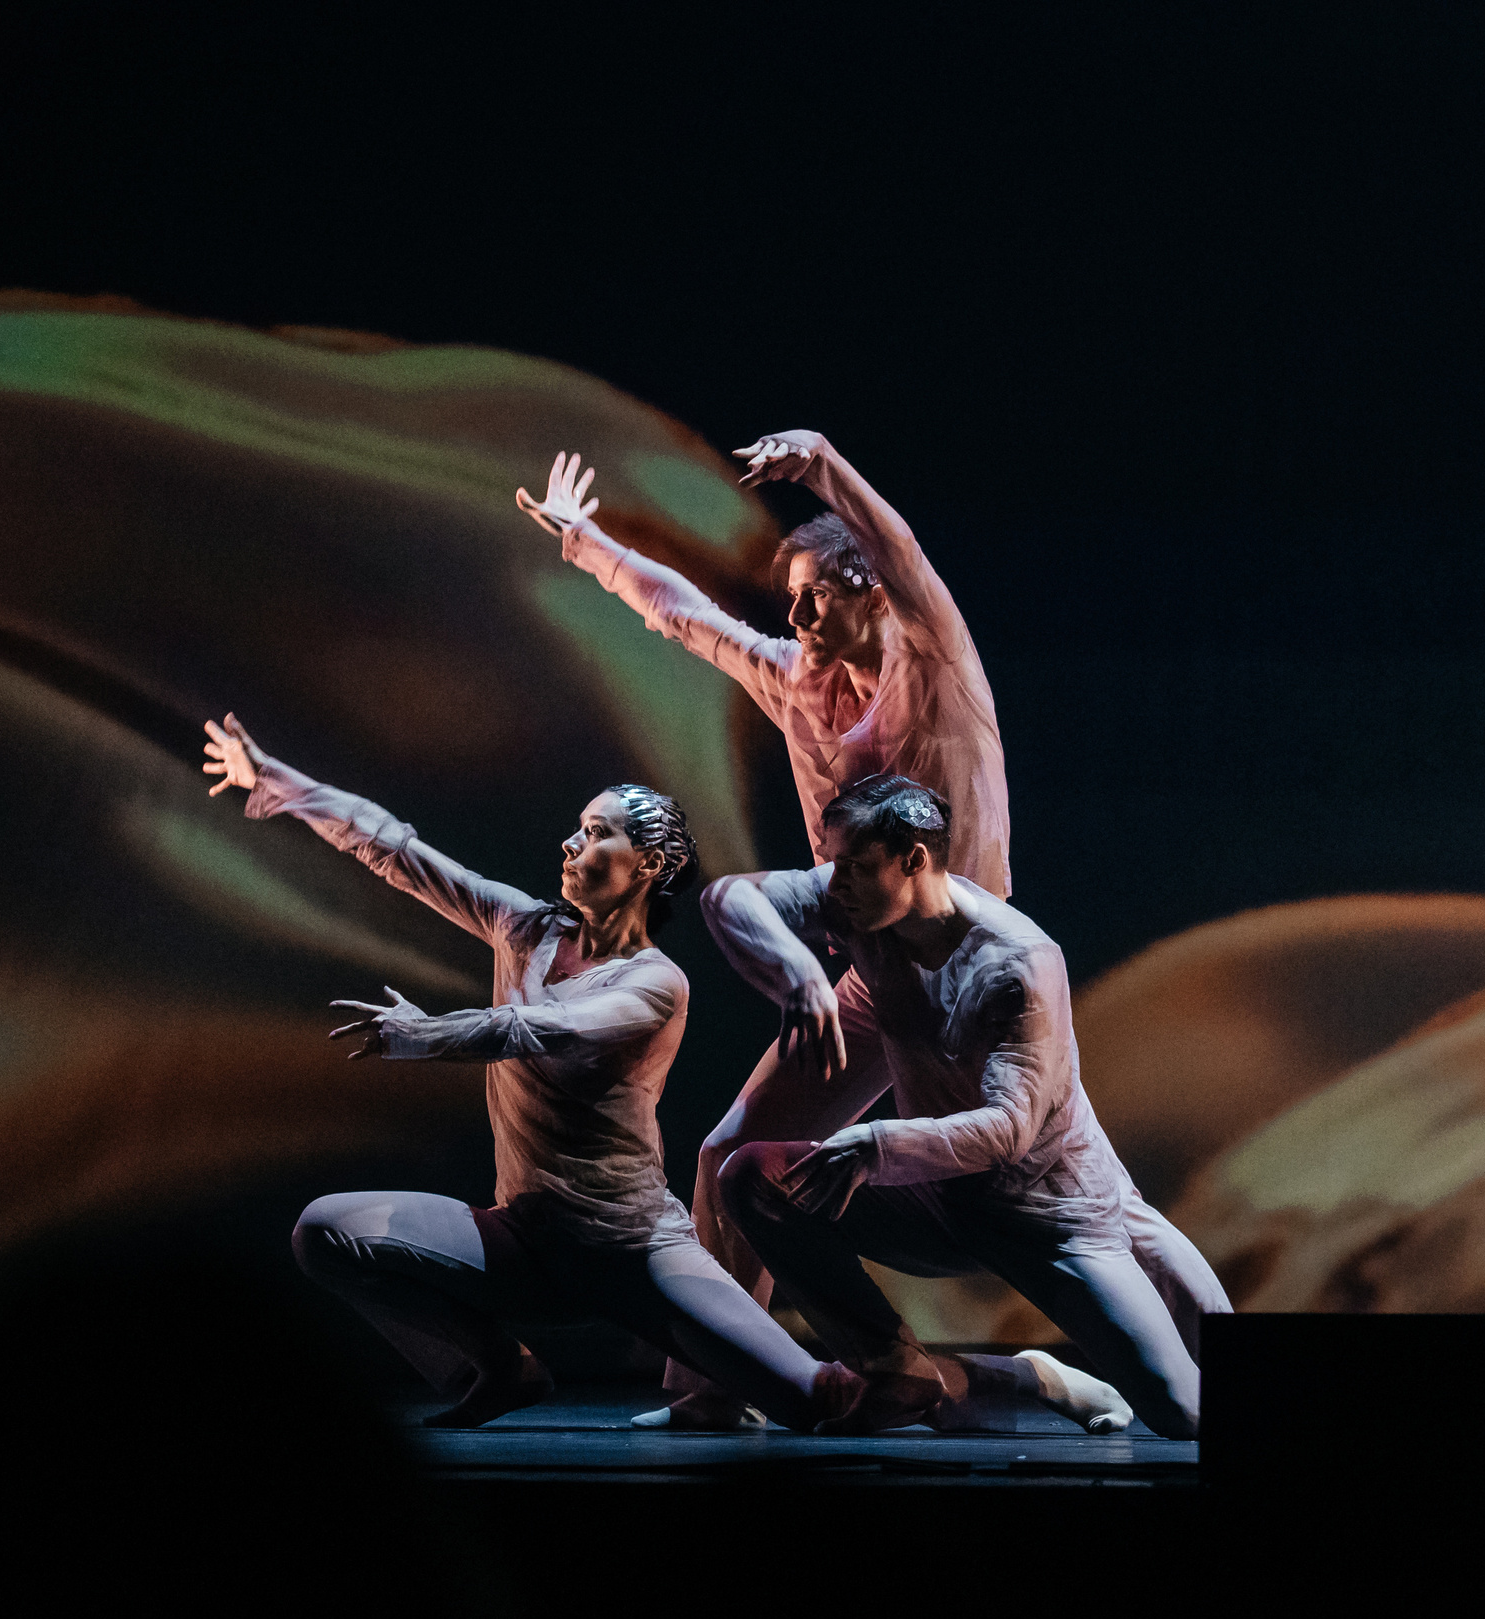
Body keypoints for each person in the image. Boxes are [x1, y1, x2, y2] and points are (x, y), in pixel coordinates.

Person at [515, 432, 1014, 1427]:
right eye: (789, 593)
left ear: (870, 593)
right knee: (730, 1158)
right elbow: (682, 616)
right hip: (873, 985)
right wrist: (584, 544)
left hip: (978, 982)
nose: (793, 612)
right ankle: (715, 1389)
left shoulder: (935, 674)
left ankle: (1115, 1369)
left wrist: (824, 465)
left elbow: (903, 548)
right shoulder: (791, 683)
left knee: (1054, 1205)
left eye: (817, 591)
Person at [201, 712, 865, 1430]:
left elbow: (537, 1028)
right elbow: (394, 848)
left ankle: (982, 1377)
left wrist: (425, 1035)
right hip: (523, 1243)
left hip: (636, 1256)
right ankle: (498, 1367)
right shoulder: (524, 928)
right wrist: (271, 777)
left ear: (649, 866)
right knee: (325, 1232)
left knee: (819, 1404)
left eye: (596, 831)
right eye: (578, 826)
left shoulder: (656, 982)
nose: (571, 841)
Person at [699, 773, 1229, 1438]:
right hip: (939, 1201)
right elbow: (729, 898)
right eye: (832, 864)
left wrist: (877, 1145)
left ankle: (1025, 1375)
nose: (836, 884)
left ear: (916, 859)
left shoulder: (1018, 961)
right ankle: (897, 1368)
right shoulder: (859, 906)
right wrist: (800, 971)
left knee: (1186, 1412)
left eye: (857, 867)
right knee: (752, 1176)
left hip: (1053, 1219)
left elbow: (1008, 1129)